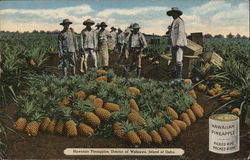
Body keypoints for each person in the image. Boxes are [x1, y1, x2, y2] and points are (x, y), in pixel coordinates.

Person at [167, 7, 187, 82]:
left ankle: (179, 78)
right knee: (175, 60)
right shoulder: (174, 21)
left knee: (178, 60)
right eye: (172, 13)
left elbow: (181, 33)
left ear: (177, 13)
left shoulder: (180, 21)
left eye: (174, 13)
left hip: (179, 44)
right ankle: (176, 77)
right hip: (174, 44)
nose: (172, 14)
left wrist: (178, 44)